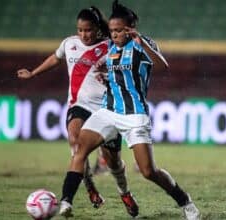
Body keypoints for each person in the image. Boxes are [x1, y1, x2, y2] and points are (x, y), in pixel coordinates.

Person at [58, 1, 200, 219]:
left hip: (134, 114)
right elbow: (112, 69)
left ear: (130, 28)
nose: (114, 35)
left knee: (148, 171)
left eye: (118, 31)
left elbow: (162, 66)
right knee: (79, 149)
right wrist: (103, 73)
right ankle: (66, 202)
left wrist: (141, 41)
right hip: (108, 111)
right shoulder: (112, 47)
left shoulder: (142, 45)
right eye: (112, 31)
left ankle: (185, 200)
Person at [16, 6, 138, 217]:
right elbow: (56, 58)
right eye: (80, 30)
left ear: (97, 29)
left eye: (88, 30)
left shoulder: (110, 45)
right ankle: (87, 188)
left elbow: (127, 62)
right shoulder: (69, 43)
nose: (84, 35)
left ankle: (124, 192)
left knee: (113, 162)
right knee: (75, 142)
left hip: (106, 109)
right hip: (78, 106)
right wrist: (33, 73)